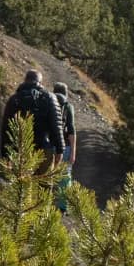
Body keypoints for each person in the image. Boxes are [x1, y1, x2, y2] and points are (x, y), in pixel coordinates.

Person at [0, 69, 64, 167]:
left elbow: (6, 128)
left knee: (19, 180)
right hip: (43, 149)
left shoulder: (14, 99)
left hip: (19, 151)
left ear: (25, 80)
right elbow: (56, 125)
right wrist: (60, 149)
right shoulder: (50, 98)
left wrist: (5, 153)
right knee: (43, 181)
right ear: (40, 82)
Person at [53, 82, 77, 212]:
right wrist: (73, 151)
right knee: (65, 176)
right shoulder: (68, 106)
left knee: (47, 173)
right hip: (65, 146)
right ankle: (63, 206)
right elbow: (71, 130)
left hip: (50, 145)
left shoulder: (48, 102)